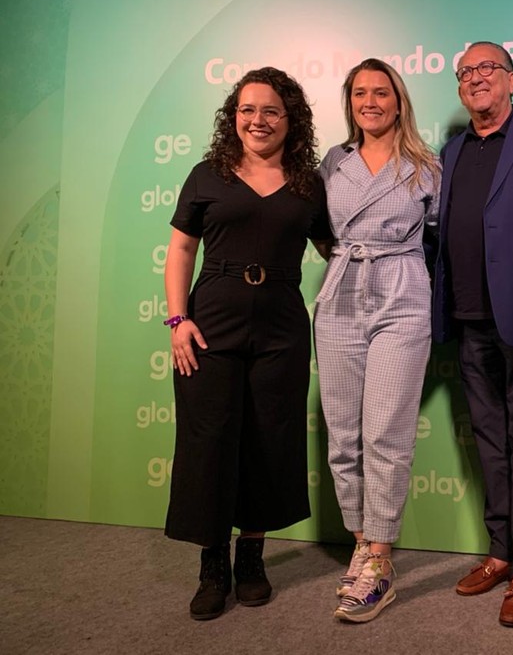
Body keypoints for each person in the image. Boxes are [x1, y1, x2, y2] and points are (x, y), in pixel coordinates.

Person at [163, 67, 330, 620]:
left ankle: (252, 558)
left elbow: (340, 248)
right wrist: (176, 319)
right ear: (233, 117)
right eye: (247, 110)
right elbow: (181, 252)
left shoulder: (308, 183)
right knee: (209, 442)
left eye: (270, 111)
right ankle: (213, 566)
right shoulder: (207, 174)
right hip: (210, 323)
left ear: (291, 120)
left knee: (268, 438)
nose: (257, 120)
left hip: (281, 326)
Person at [314, 58, 440, 624]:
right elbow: (322, 232)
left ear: (398, 100)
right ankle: (362, 544)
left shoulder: (424, 165)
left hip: (403, 295)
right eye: (360, 93)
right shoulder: (333, 163)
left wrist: (402, 271)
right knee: (343, 432)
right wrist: (349, 261)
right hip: (341, 294)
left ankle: (382, 559)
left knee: (385, 432)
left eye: (381, 92)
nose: (371, 101)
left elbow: (438, 238)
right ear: (350, 102)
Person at [431, 42, 513, 627]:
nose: (476, 79)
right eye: (466, 73)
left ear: (511, 80)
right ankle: (500, 552)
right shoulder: (451, 151)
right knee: (488, 439)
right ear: (460, 89)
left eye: (487, 70)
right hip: (468, 315)